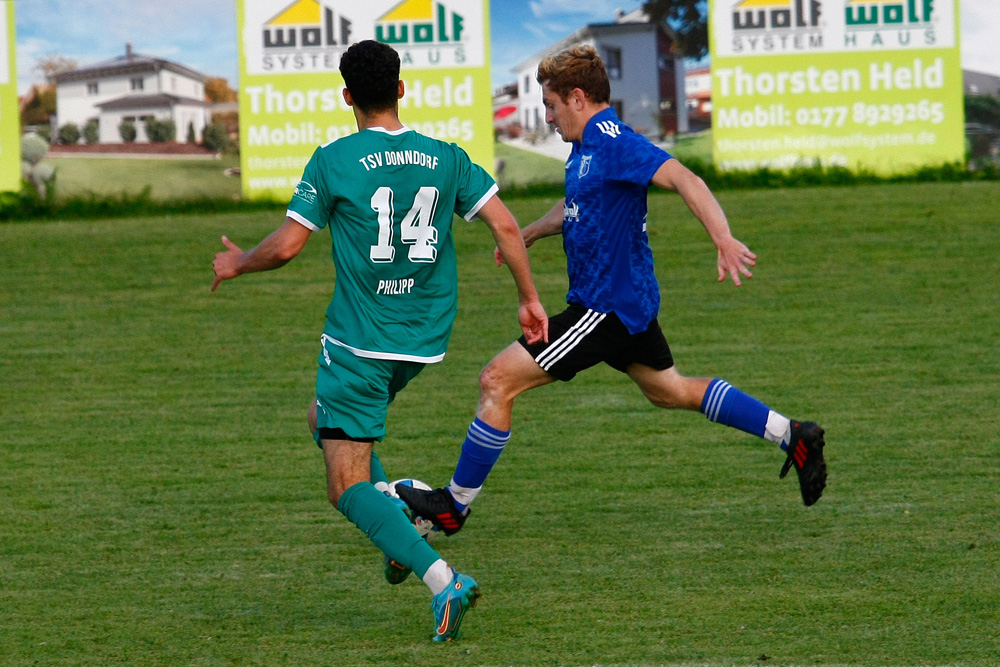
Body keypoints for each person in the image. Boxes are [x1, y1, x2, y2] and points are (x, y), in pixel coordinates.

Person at [396, 45, 827, 538]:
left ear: (578, 98)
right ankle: (791, 434)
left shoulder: (613, 139)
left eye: (552, 106)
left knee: (497, 380)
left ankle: (454, 505)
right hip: (627, 307)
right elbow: (578, 202)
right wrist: (535, 230)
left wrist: (723, 238)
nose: (550, 117)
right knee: (671, 391)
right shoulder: (586, 150)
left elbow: (684, 177)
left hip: (605, 309)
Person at [211, 40, 548, 642]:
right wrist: (528, 297)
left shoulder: (333, 161)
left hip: (359, 342)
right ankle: (398, 520)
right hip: (421, 340)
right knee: (324, 418)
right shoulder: (444, 156)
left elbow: (287, 246)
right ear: (401, 89)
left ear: (347, 97)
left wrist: (239, 264)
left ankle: (443, 579)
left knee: (345, 483)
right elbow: (503, 224)